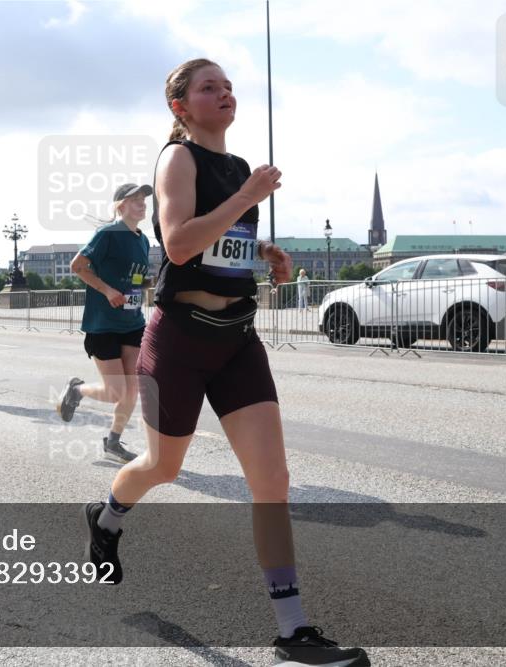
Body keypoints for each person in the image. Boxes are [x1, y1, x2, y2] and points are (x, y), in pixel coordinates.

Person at [82, 59, 369, 667]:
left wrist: (265, 255)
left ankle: (293, 631)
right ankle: (105, 518)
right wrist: (247, 196)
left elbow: (220, 246)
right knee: (163, 465)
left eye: (228, 85)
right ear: (181, 106)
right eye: (209, 87)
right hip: (181, 337)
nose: (225, 93)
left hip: (237, 338)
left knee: (273, 484)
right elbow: (179, 242)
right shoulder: (176, 159)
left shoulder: (239, 169)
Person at [57, 183, 152, 464]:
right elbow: (78, 266)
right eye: (135, 199)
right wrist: (109, 291)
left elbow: (137, 278)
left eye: (144, 199)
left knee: (131, 389)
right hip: (103, 324)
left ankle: (113, 442)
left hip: (133, 322)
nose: (142, 203)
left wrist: (144, 291)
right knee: (115, 392)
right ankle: (76, 390)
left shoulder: (143, 240)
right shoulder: (108, 233)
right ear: (120, 206)